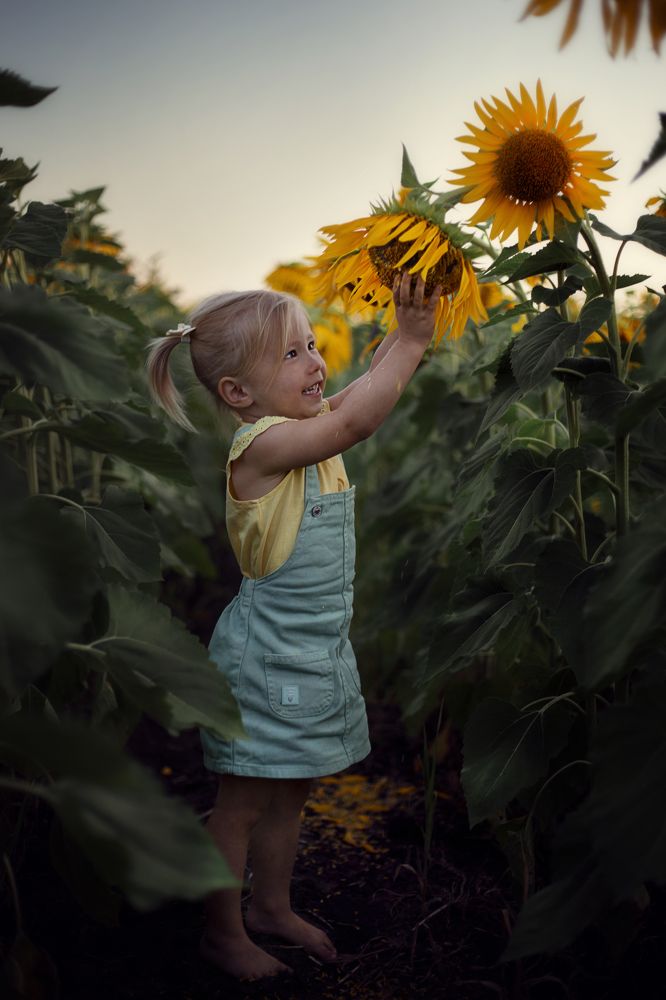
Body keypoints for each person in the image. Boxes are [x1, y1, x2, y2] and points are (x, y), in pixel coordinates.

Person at [144, 271, 441, 981]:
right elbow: (357, 420)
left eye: (312, 345)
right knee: (244, 800)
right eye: (291, 354)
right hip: (267, 661)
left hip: (311, 650)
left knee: (292, 789)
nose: (315, 362)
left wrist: (398, 347)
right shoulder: (263, 448)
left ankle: (270, 908)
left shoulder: (303, 428)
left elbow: (353, 400)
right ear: (237, 395)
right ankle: (223, 931)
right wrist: (411, 341)